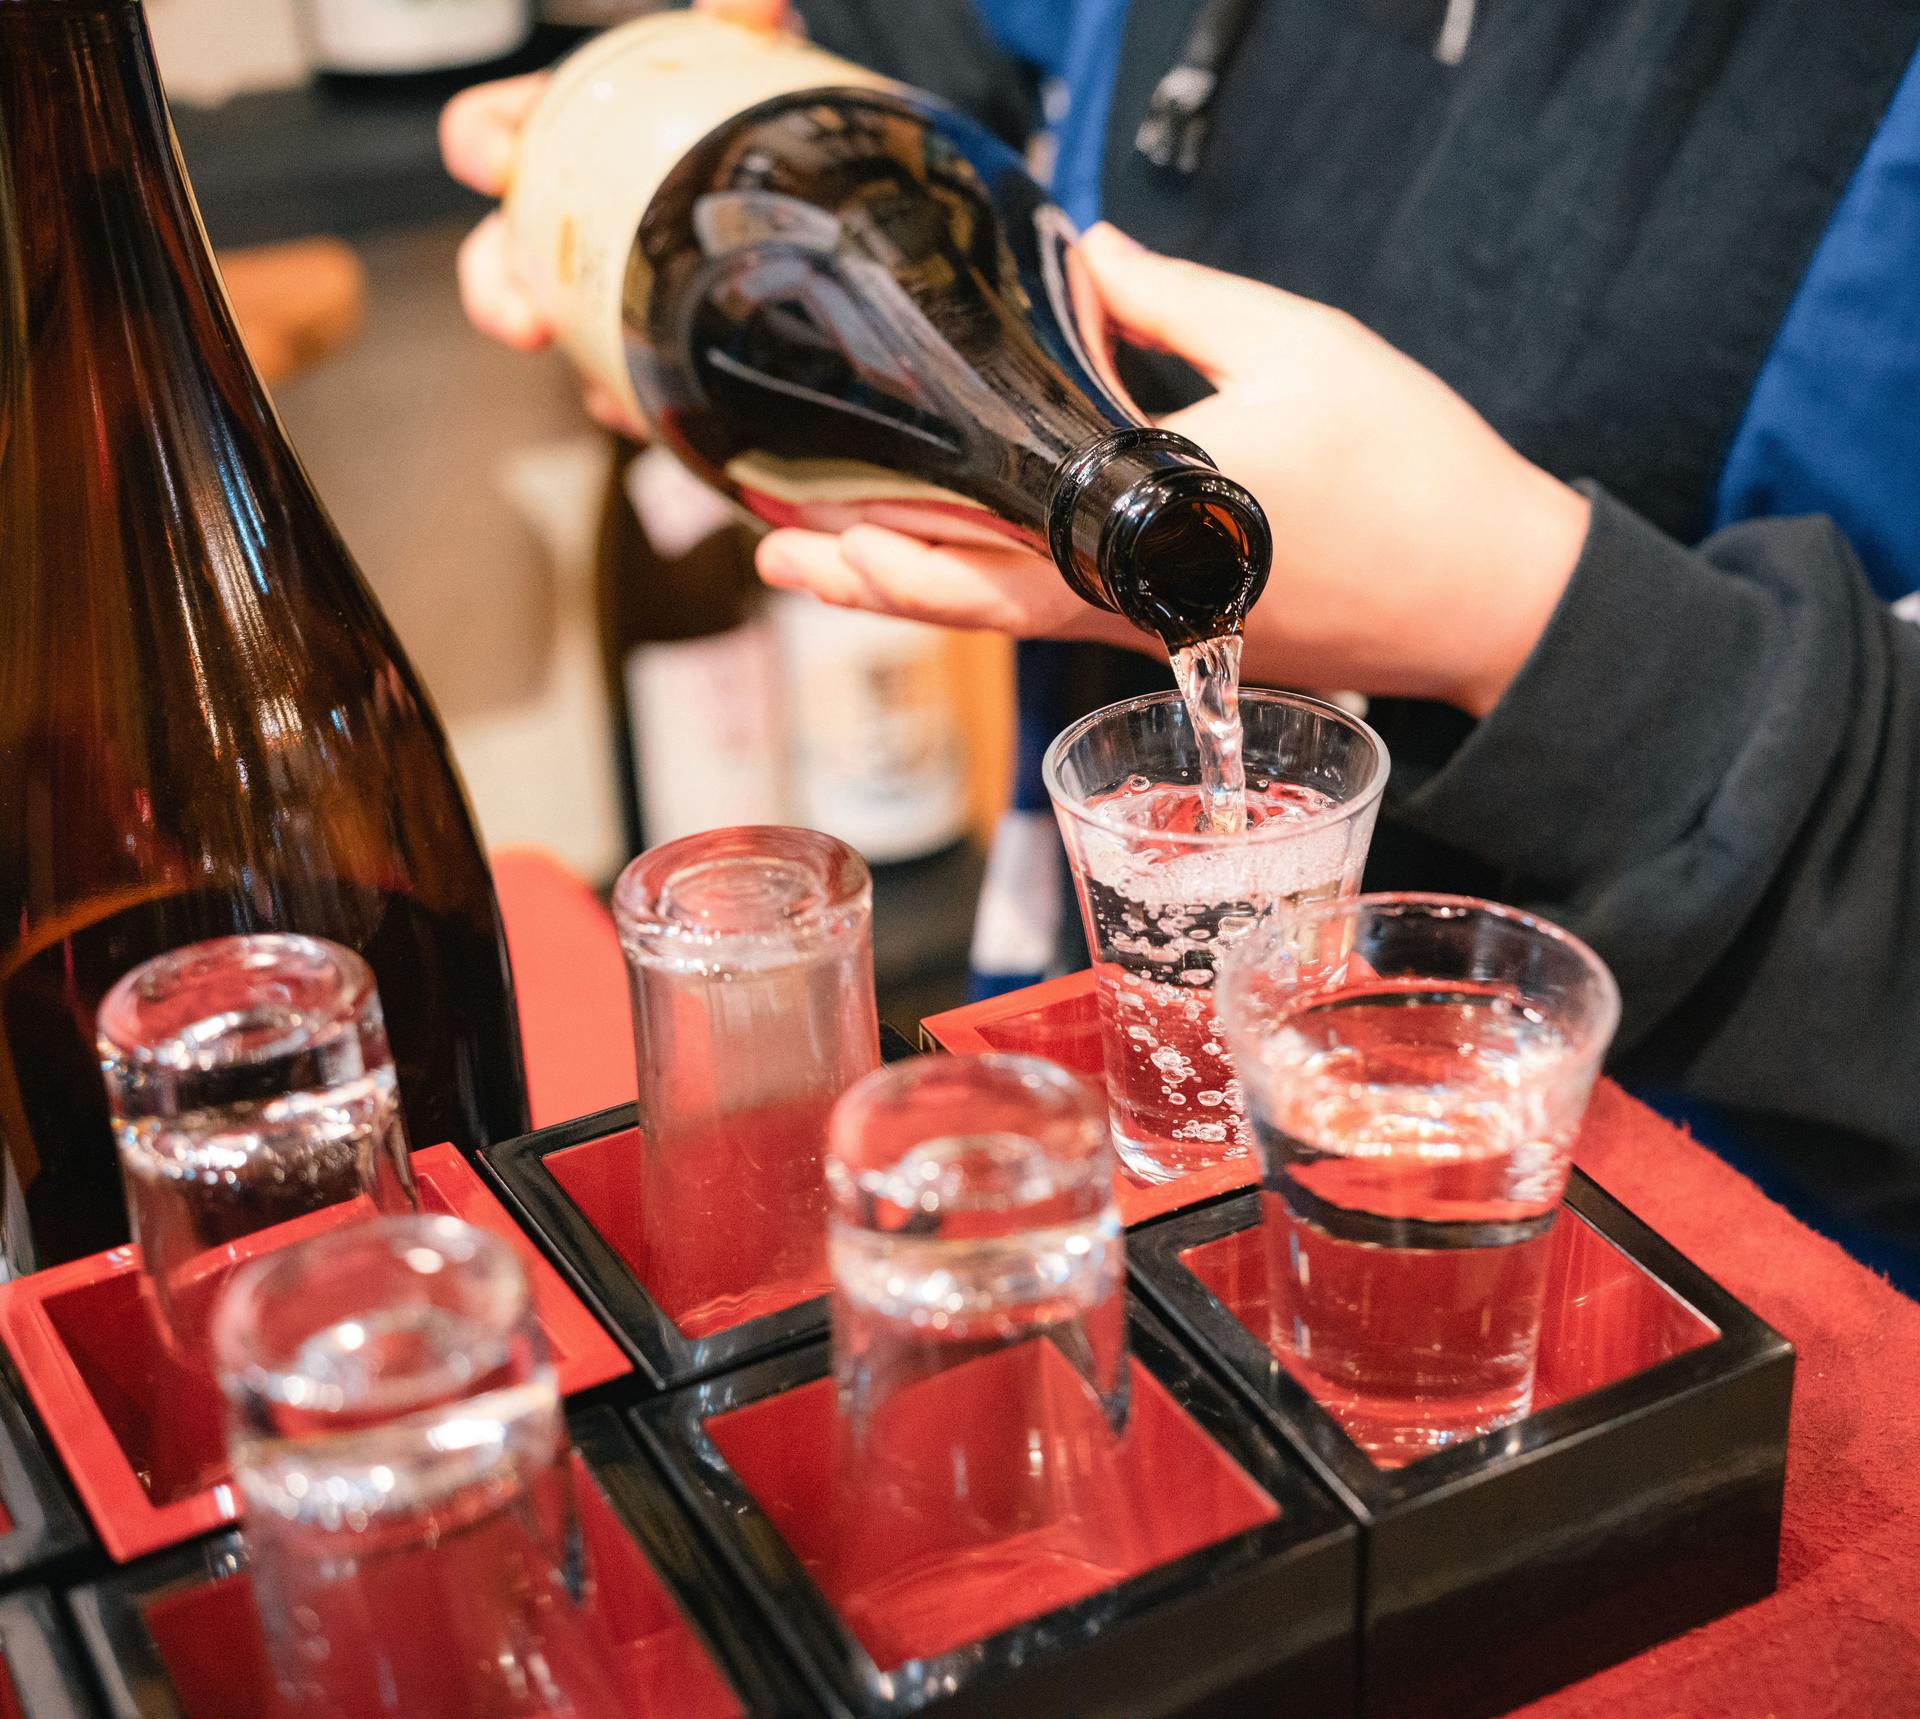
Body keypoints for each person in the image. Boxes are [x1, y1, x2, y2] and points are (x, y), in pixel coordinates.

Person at [442, 1, 1920, 1282]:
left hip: (1750, 1223)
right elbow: (901, 89)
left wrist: (1511, 605)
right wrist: (641, 147)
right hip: (1112, 1127)